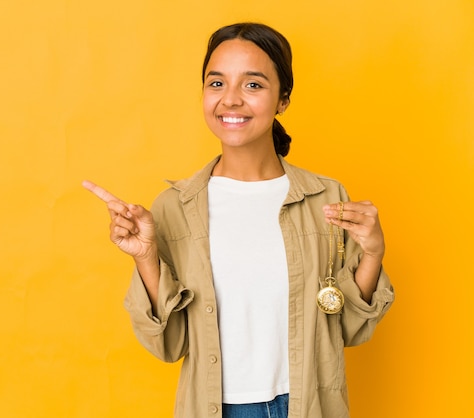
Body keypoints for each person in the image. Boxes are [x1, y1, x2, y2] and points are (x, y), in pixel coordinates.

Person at [83, 22, 394, 418]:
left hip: (308, 406)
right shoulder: (174, 208)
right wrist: (145, 258)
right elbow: (170, 345)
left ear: (283, 99)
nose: (230, 100)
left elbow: (347, 328)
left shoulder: (327, 200)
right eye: (216, 84)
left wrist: (373, 254)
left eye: (253, 85)